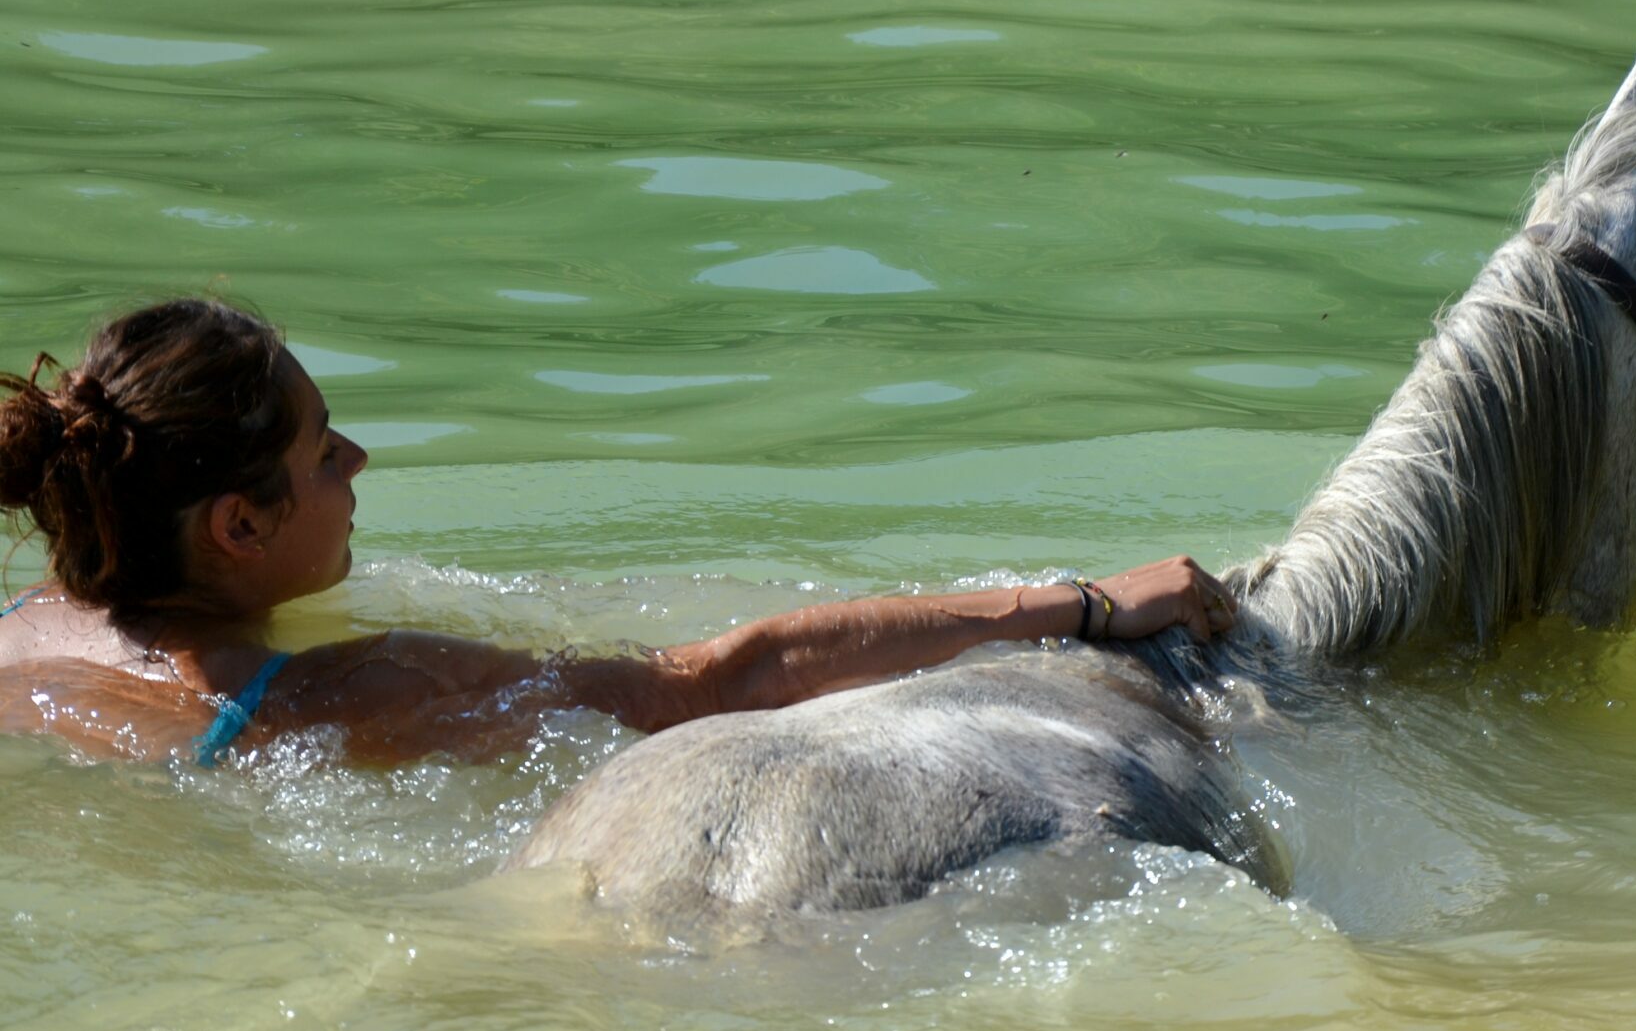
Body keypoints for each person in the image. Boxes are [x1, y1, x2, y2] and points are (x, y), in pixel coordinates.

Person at [0, 299, 1237, 766]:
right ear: (238, 524)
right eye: (324, 450)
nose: (359, 461)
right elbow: (712, 682)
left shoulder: (24, 641)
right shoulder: (335, 692)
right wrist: (1073, 603)